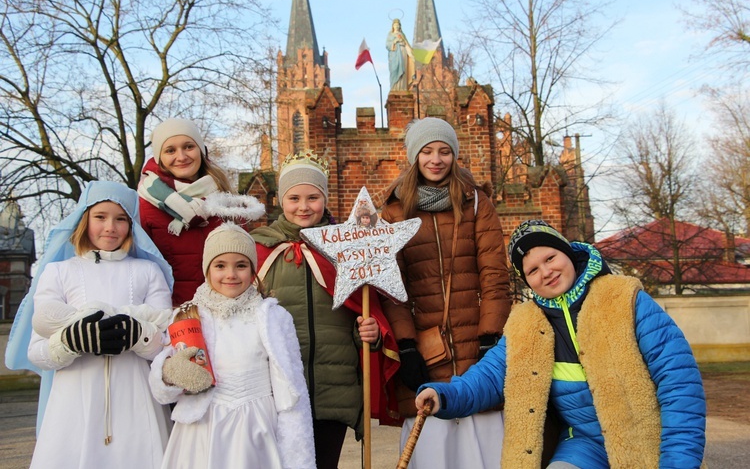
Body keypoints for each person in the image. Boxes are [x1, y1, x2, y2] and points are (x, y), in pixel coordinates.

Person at [415, 219, 707, 468]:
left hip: (643, 436)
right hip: (583, 443)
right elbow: (489, 376)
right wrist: (444, 396)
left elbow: (679, 384)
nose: (546, 272)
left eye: (550, 258)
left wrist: (677, 461)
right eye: (532, 270)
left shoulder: (624, 299)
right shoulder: (525, 322)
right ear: (527, 281)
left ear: (567, 252)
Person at [251, 150, 399, 469]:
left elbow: (363, 308)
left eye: (313, 197)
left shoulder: (346, 249)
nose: (304, 206)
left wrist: (371, 335)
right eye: (294, 198)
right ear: (280, 199)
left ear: (325, 199)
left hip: (335, 390)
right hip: (281, 393)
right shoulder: (258, 250)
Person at [380, 117, 511, 468]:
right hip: (426, 346)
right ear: (414, 156)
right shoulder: (393, 211)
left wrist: (490, 335)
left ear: (454, 155)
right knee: (434, 448)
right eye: (427, 151)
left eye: (444, 151)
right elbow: (393, 287)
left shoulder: (477, 203)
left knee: (483, 443)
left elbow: (495, 275)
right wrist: (406, 345)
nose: (436, 159)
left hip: (475, 341)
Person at [15, 181, 174, 468]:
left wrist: (138, 335)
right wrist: (71, 341)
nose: (110, 227)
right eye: (100, 217)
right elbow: (37, 351)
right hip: (73, 403)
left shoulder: (148, 271)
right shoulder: (58, 272)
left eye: (121, 218)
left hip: (137, 401)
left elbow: (166, 344)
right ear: (84, 219)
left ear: (131, 224)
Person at [149, 223, 315, 469]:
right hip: (203, 426)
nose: (231, 274)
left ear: (253, 269)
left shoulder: (273, 317)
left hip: (257, 425)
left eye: (241, 265)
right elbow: (163, 384)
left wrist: (298, 453)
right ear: (207, 269)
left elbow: (292, 387)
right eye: (220, 265)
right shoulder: (187, 316)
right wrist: (169, 373)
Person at [138, 117, 261, 307]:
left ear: (201, 150)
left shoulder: (224, 196)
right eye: (170, 150)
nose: (181, 156)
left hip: (224, 311)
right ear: (159, 157)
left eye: (188, 146)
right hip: (175, 313)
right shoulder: (146, 204)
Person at [386, 18, 414, 91]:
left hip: (403, 52)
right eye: (395, 25)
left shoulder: (402, 34)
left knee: (403, 69)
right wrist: (395, 41)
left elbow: (407, 45)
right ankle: (395, 88)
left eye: (398, 25)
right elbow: (387, 45)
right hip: (395, 55)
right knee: (395, 69)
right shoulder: (390, 35)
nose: (397, 26)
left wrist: (412, 54)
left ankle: (403, 88)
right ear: (393, 26)